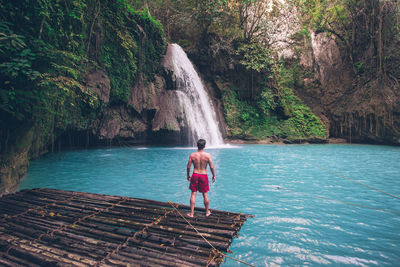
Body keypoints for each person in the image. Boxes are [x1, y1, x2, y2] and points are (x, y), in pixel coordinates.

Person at [186, 139, 215, 217]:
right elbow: (211, 167)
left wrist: (188, 175)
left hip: (195, 175)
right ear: (204, 146)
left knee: (193, 194)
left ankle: (191, 213)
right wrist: (213, 175)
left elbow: (188, 167)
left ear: (197, 146)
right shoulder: (208, 155)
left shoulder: (192, 155)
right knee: (205, 194)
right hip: (203, 175)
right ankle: (207, 212)